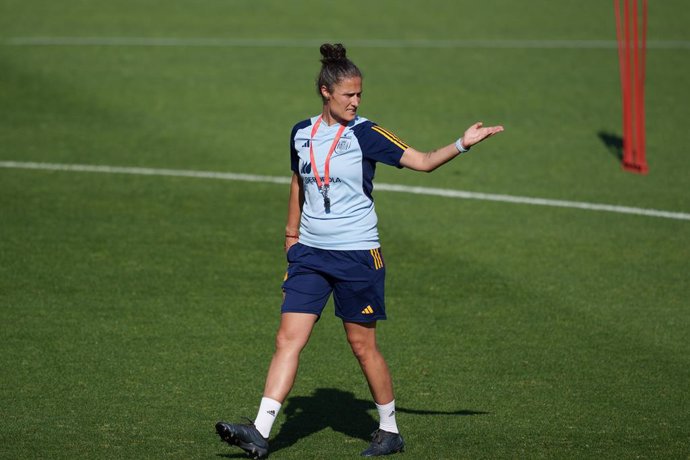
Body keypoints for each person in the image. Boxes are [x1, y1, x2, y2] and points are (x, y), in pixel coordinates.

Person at [216, 43, 503, 459]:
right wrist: (291, 237)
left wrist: (462, 143)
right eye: (348, 94)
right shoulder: (301, 133)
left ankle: (389, 430)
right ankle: (260, 430)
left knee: (361, 345)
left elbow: (422, 161)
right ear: (325, 91)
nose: (355, 101)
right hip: (310, 254)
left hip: (357, 255)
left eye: (359, 94)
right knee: (287, 339)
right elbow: (299, 181)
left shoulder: (366, 134)